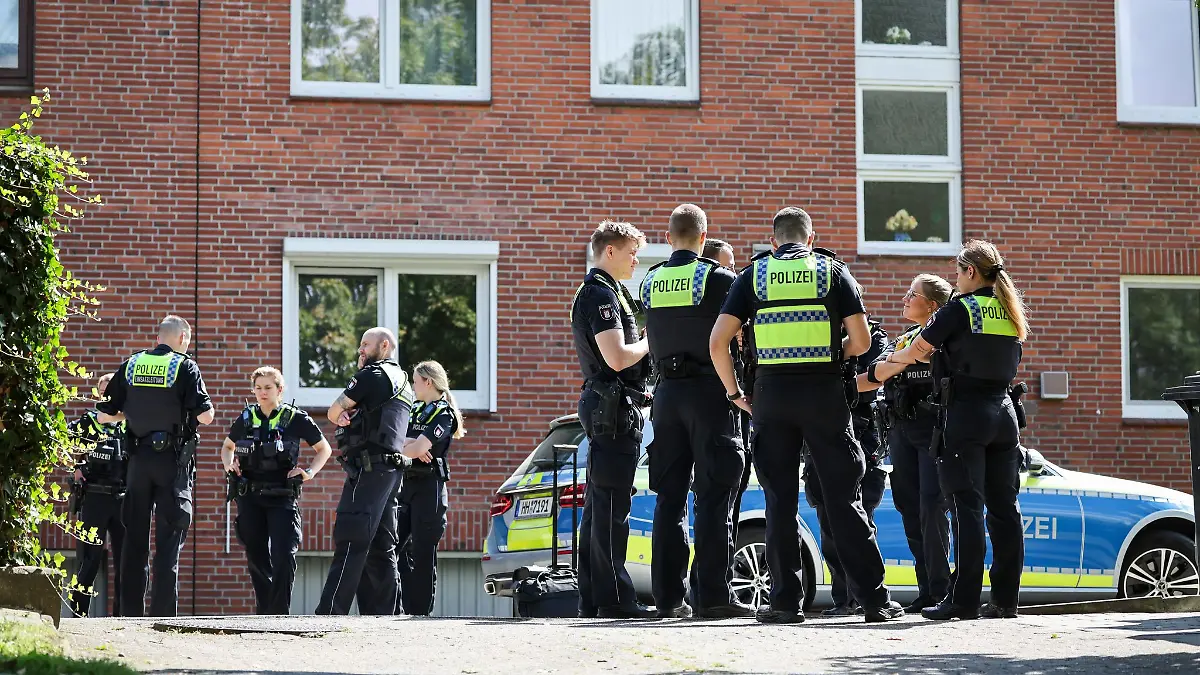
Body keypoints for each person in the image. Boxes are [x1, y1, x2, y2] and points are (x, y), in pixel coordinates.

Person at [710, 207, 902, 624]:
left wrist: (735, 393)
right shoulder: (833, 272)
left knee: (780, 502)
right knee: (843, 499)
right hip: (824, 396)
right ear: (811, 238)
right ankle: (873, 601)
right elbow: (863, 341)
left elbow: (717, 342)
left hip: (770, 396)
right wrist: (831, 351)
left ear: (774, 241)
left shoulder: (752, 277)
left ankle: (784, 605)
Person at [887, 241, 1028, 620]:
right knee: (1005, 510)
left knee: (968, 509)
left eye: (957, 272)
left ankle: (963, 600)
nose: (955, 279)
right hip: (1005, 415)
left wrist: (889, 365)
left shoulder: (959, 308)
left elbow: (919, 348)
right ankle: (1005, 600)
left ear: (970, 272)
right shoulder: (1009, 310)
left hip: (965, 415)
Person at [639, 204, 752, 619]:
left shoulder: (649, 281)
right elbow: (741, 330)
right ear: (704, 238)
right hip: (710, 393)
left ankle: (668, 598)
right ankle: (713, 597)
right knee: (713, 496)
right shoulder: (718, 278)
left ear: (668, 238)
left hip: (665, 396)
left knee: (668, 499)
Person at [96, 315, 214, 618]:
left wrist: (134, 413)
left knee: (135, 542)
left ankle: (131, 616)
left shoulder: (132, 364)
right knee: (168, 542)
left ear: (158, 336)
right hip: (171, 464)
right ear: (183, 338)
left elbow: (105, 415)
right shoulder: (185, 366)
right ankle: (163, 617)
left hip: (137, 464)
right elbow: (206, 416)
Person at [570, 220, 656, 619]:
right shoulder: (599, 295)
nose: (636, 259)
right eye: (631, 252)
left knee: (600, 506)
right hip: (612, 407)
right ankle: (615, 598)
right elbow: (618, 357)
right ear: (609, 252)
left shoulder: (612, 292)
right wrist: (651, 340)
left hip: (612, 404)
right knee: (610, 507)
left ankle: (594, 597)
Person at [857, 274, 955, 613]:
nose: (905, 298)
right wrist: (902, 358)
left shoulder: (944, 337)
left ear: (931, 305)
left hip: (933, 432)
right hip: (901, 431)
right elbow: (876, 371)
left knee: (931, 506)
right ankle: (926, 590)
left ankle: (941, 590)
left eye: (912, 294)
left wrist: (900, 360)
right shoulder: (901, 340)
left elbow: (926, 359)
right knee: (909, 508)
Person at [316, 327, 414, 615]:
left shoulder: (372, 375)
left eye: (365, 345)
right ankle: (383, 616)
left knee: (351, 536)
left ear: (384, 345)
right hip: (391, 472)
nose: (360, 350)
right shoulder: (405, 383)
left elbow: (334, 411)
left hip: (368, 469)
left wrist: (341, 414)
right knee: (383, 546)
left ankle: (330, 614)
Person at [220, 367, 331, 615]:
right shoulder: (246, 418)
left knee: (283, 556)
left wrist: (309, 473)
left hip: (282, 496)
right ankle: (265, 613)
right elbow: (227, 447)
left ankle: (279, 614)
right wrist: (230, 465)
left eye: (268, 387)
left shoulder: (295, 418)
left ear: (280, 390)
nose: (262, 392)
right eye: (258, 388)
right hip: (250, 497)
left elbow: (324, 449)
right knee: (256, 556)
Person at [805, 312, 889, 616]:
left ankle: (868, 595)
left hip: (860, 435)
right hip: (819, 435)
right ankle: (844, 599)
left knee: (859, 518)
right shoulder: (812, 333)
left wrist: (826, 384)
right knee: (827, 523)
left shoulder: (872, 338)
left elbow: (874, 377)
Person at [393, 360, 465, 616]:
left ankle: (420, 613)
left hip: (430, 489)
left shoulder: (444, 413)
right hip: (405, 485)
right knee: (392, 547)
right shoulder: (412, 409)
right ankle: (400, 606)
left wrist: (413, 446)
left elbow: (413, 447)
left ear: (428, 382)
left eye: (415, 381)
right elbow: (398, 443)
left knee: (423, 553)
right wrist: (413, 445)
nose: (413, 386)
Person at [68, 373, 127, 617]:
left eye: (112, 391)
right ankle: (78, 616)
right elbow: (65, 442)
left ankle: (123, 617)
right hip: (94, 498)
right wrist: (76, 466)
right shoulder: (89, 421)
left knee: (125, 562)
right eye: (104, 391)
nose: (108, 395)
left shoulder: (130, 422)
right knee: (89, 560)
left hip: (123, 498)